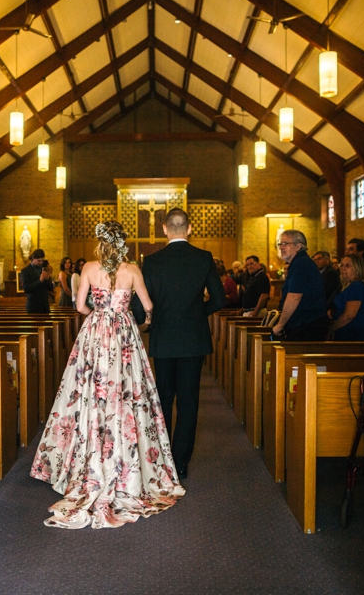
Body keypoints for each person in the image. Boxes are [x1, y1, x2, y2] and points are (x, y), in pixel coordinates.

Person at [30, 220, 184, 529]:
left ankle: (87, 455)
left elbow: (78, 306)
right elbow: (149, 305)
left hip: (96, 334)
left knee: (89, 388)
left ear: (101, 242)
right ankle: (128, 461)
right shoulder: (132, 270)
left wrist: (99, 315)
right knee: (129, 392)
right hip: (124, 336)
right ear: (123, 243)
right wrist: (135, 321)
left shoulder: (88, 267)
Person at [142, 208, 225, 480]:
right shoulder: (203, 258)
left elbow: (144, 303)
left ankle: (162, 460)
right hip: (193, 338)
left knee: (164, 396)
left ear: (165, 229)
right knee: (188, 400)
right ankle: (180, 463)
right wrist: (195, 313)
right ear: (189, 229)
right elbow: (219, 299)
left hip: (164, 337)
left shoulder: (153, 261)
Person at [270, 230, 330, 341]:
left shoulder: (301, 263)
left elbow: (294, 298)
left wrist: (280, 325)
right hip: (305, 324)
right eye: (280, 244)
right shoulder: (299, 263)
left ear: (298, 246)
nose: (281, 247)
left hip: (307, 325)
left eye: (285, 244)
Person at [330, 255, 364, 341]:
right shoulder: (349, 286)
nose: (343, 268)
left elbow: (349, 315)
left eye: (348, 266)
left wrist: (332, 328)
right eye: (342, 265)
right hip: (346, 331)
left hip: (353, 332)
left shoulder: (357, 286)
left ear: (357, 268)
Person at [20, 249, 54, 313]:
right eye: (38, 261)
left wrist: (48, 280)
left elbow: (50, 288)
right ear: (33, 258)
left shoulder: (44, 269)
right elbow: (27, 289)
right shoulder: (25, 271)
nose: (41, 263)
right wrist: (40, 281)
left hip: (45, 305)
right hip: (33, 305)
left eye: (42, 260)